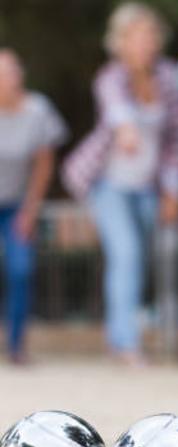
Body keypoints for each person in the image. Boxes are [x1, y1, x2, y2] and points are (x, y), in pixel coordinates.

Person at [63, 3, 178, 367]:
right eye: (137, 36)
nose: (146, 42)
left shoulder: (169, 77)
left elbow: (176, 139)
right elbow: (117, 111)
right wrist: (127, 129)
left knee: (138, 261)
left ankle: (118, 335)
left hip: (147, 186)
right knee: (126, 254)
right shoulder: (111, 77)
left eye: (150, 35)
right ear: (122, 42)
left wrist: (174, 190)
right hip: (108, 184)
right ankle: (126, 344)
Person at [0, 49, 67, 365]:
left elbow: (43, 164)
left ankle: (16, 345)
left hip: (18, 204)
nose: (7, 79)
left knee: (20, 269)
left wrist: (30, 211)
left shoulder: (38, 110)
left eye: (11, 72)